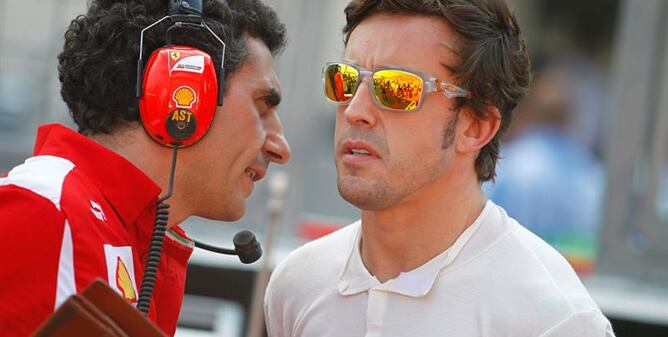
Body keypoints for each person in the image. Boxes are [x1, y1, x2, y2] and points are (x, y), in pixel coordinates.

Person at [265, 0, 614, 336]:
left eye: (396, 88)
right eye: (345, 80)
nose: (355, 110)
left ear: (475, 126)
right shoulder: (297, 285)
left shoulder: (553, 320)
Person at [0, 0, 290, 336]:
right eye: (262, 106)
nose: (280, 147)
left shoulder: (132, 237)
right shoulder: (41, 211)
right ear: (182, 91)